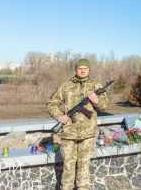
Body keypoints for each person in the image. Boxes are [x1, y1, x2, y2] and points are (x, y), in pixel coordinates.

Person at [47, 59, 109, 190]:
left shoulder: (95, 85)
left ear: (89, 70)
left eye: (85, 68)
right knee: (68, 167)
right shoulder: (65, 85)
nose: (82, 70)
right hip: (69, 133)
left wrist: (96, 100)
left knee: (84, 168)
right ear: (76, 70)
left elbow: (104, 106)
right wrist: (59, 116)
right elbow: (52, 103)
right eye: (80, 68)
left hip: (88, 134)